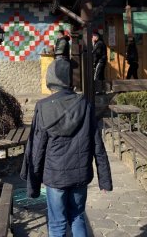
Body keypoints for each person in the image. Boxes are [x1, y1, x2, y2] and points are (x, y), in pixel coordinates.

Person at [20, 59, 112, 237]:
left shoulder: (43, 107)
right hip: (80, 175)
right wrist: (105, 179)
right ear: (70, 80)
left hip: (55, 177)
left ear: (50, 80)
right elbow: (97, 144)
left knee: (57, 224)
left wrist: (33, 183)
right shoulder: (85, 105)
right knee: (77, 217)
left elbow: (36, 148)